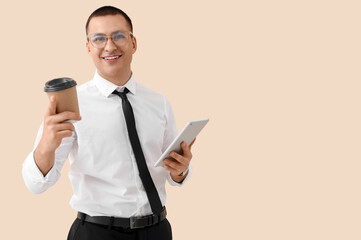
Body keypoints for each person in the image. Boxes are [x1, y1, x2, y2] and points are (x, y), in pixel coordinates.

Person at [22, 5, 195, 240]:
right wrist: (46, 145)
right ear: (88, 47)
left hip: (157, 230)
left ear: (134, 43)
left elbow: (173, 170)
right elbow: (36, 185)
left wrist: (181, 171)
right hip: (96, 233)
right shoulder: (73, 103)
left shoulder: (159, 102)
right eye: (99, 38)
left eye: (119, 36)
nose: (110, 46)